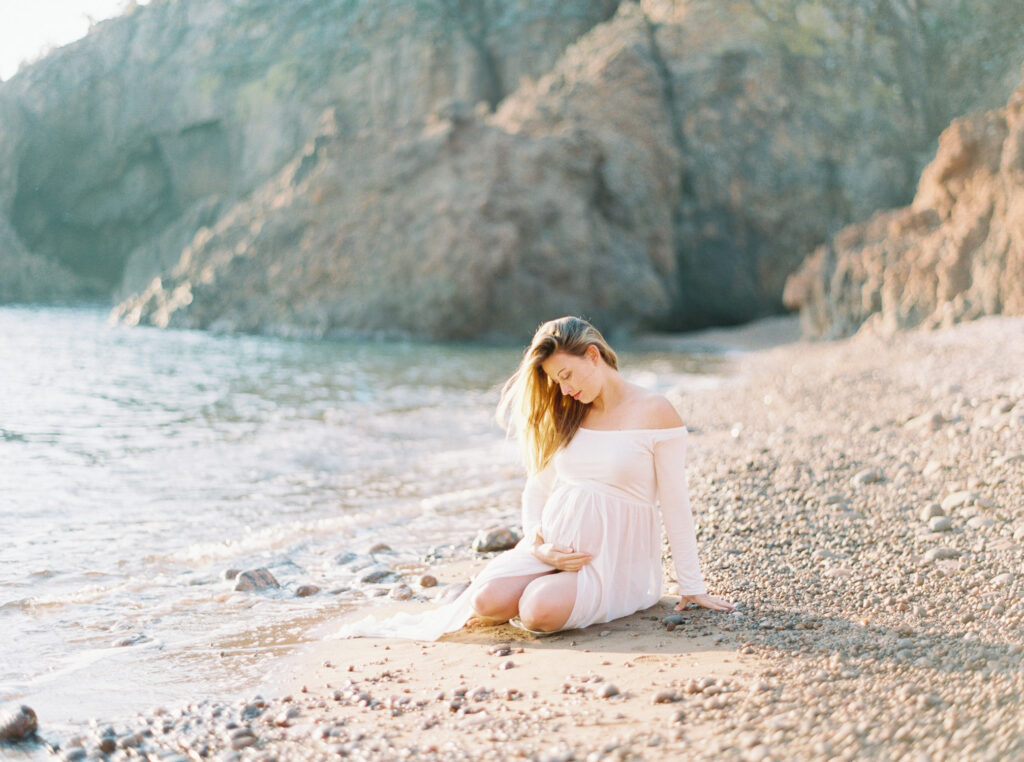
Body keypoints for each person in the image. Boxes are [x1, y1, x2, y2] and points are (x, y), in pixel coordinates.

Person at [336, 316, 732, 641]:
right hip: (550, 549)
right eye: (557, 382)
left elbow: (676, 503)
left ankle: (549, 593)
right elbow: (537, 490)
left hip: (611, 560)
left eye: (567, 375)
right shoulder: (568, 413)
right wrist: (538, 546)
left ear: (593, 355)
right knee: (486, 601)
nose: (565, 389)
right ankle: (541, 582)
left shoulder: (655, 411)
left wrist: (691, 584)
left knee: (537, 610)